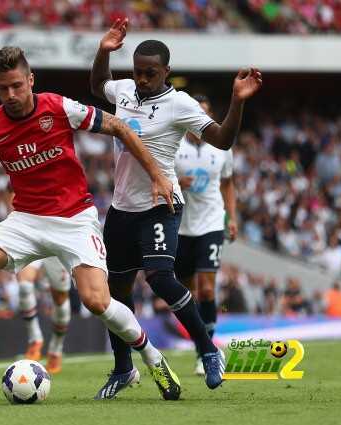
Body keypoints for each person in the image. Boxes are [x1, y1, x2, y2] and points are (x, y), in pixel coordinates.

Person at [0, 46, 179, 399]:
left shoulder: (59, 108)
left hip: (75, 219)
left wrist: (156, 174)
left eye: (17, 85)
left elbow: (119, 126)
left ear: (31, 80)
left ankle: (154, 360)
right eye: (3, 89)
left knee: (96, 301)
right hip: (26, 221)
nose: (11, 95)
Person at [90, 18, 262, 399]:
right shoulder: (125, 91)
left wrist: (236, 102)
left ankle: (208, 349)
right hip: (121, 208)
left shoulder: (179, 104)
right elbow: (97, 85)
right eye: (137, 72)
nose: (142, 79)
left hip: (161, 204)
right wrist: (103, 52)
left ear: (166, 71)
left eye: (150, 73)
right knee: (114, 292)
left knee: (160, 277)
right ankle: (122, 368)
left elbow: (221, 139)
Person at [174, 94, 238, 375]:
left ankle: (207, 352)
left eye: (205, 113)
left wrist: (232, 217)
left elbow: (228, 183)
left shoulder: (222, 148)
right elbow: (155, 178)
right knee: (185, 293)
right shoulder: (173, 145)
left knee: (208, 289)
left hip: (211, 223)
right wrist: (176, 182)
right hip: (180, 226)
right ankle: (201, 344)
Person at [18, 257, 71, 374]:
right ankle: (35, 340)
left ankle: (56, 349)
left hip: (56, 245)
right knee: (24, 285)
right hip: (34, 239)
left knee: (60, 301)